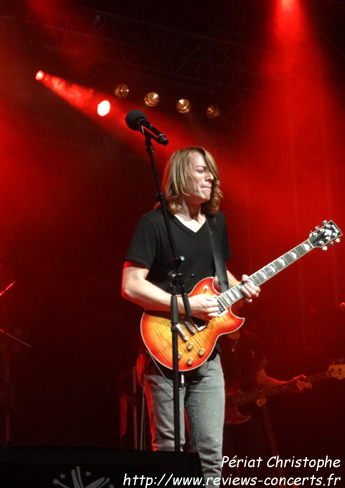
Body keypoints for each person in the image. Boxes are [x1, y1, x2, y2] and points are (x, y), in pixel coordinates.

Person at [121, 146, 261, 485]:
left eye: (212, 171)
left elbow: (218, 277)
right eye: (202, 170)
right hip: (165, 351)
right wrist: (186, 305)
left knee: (212, 455)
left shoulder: (216, 223)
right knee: (170, 452)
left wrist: (240, 286)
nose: (211, 177)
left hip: (208, 353)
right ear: (181, 175)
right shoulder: (153, 223)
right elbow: (130, 286)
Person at [220, 329, 311, 477]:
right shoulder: (209, 339)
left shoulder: (250, 340)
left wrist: (288, 384)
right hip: (214, 418)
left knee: (256, 471)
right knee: (223, 473)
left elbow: (262, 379)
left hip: (246, 415)